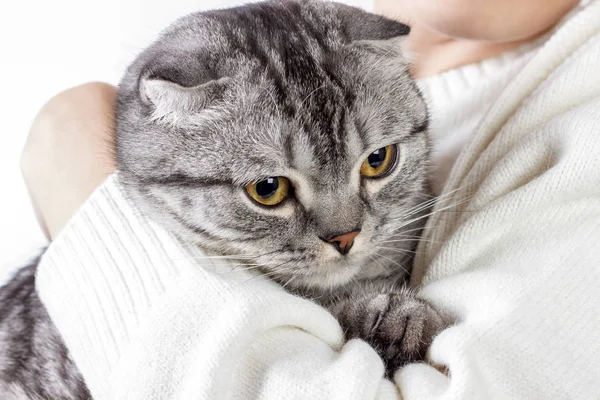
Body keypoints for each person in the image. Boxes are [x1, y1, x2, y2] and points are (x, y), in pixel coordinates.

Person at [21, 0, 600, 398]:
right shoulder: (343, 59)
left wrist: (84, 196)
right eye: (269, 188)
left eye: (377, 162)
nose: (344, 233)